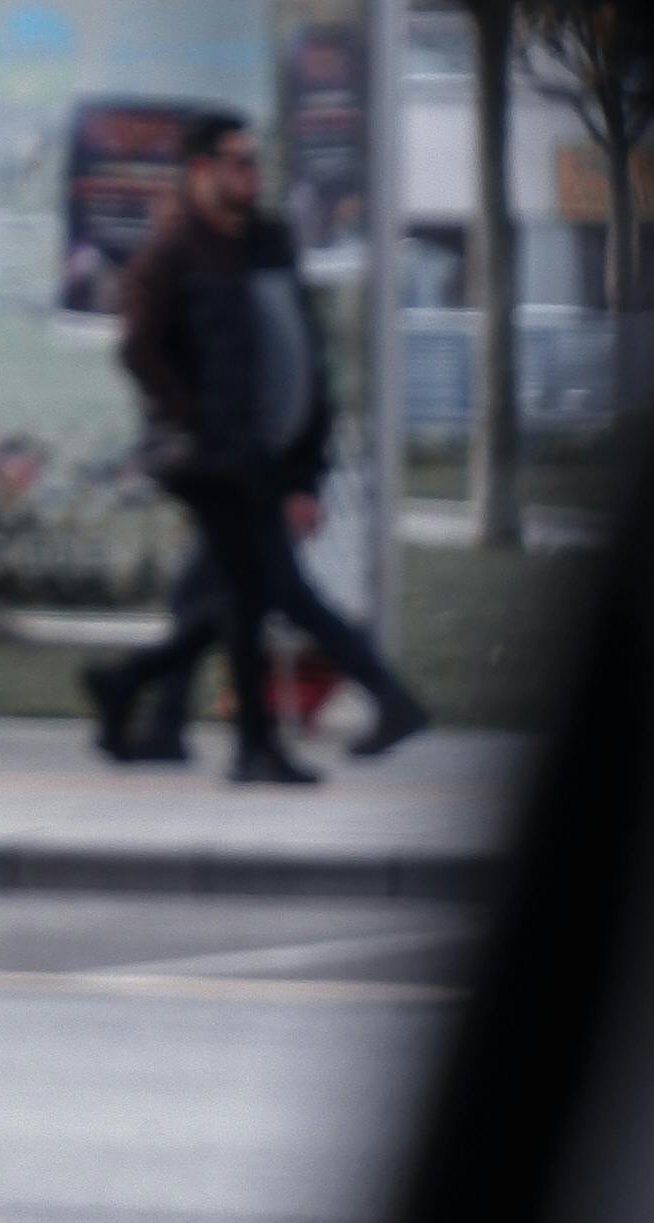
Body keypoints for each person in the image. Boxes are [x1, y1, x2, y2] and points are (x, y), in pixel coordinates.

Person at [103, 110, 425, 779]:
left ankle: (153, 704)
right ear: (201, 170)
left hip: (257, 462)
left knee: (237, 590)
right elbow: (140, 349)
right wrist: (193, 418)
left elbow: (300, 364)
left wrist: (303, 474)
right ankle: (204, 724)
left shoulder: (266, 242)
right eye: (238, 161)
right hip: (220, 461)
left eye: (256, 161)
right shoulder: (175, 252)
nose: (252, 174)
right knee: (255, 589)